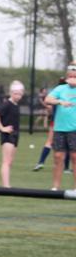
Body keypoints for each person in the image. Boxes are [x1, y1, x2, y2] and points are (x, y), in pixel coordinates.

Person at [43, 62, 76, 191]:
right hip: (60, 129)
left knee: (74, 157)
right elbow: (47, 99)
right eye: (70, 75)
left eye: (74, 75)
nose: (72, 78)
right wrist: (60, 101)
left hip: (74, 129)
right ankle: (55, 187)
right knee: (58, 157)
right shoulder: (60, 89)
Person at [0, 80, 24, 188]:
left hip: (15, 135)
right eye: (15, 93)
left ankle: (7, 185)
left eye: (20, 94)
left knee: (10, 161)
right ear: (10, 93)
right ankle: (6, 186)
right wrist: (2, 128)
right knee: (6, 161)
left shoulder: (16, 105)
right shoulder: (7, 104)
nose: (18, 96)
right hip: (7, 135)